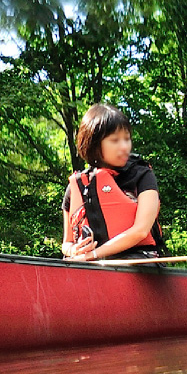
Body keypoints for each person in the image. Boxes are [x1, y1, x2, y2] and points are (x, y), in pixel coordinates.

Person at [60, 103, 163, 261]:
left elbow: (141, 231)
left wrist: (94, 254)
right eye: (115, 140)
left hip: (139, 261)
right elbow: (66, 244)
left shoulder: (143, 175)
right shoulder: (77, 186)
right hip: (91, 266)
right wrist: (75, 250)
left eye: (127, 139)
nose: (124, 147)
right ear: (94, 145)